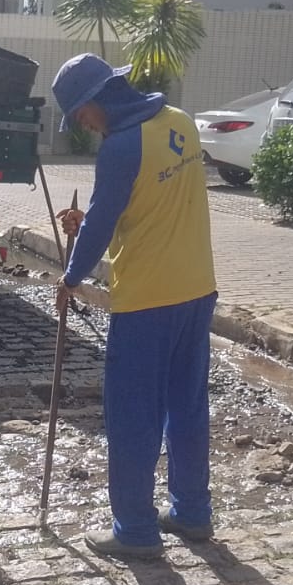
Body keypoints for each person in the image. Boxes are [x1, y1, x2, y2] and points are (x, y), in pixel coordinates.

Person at [51, 53, 219, 559]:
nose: (84, 125)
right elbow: (146, 205)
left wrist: (71, 278)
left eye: (81, 114)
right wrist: (92, 218)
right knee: (187, 407)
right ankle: (192, 512)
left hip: (147, 302)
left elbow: (103, 223)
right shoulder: (181, 122)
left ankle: (136, 530)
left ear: (96, 100)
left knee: (133, 415)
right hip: (197, 290)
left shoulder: (121, 147)